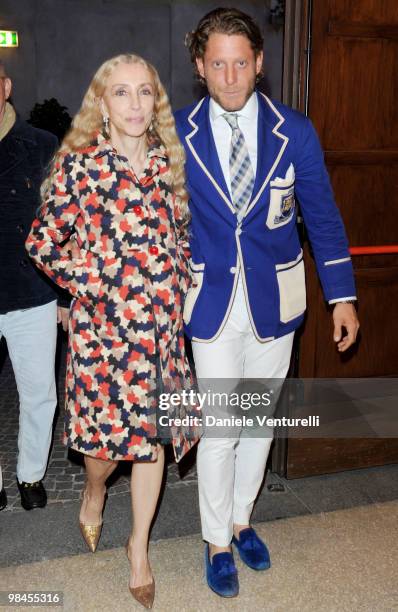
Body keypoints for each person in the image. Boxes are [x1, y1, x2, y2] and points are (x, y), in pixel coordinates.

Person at [175, 7, 360, 598]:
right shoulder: (177, 133)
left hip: (275, 302)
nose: (230, 76)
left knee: (257, 423)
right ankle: (216, 540)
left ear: (259, 64)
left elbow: (323, 220)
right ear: (201, 68)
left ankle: (242, 520)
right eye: (217, 64)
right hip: (209, 302)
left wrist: (343, 298)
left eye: (241, 62)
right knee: (223, 423)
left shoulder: (294, 132)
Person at [26, 53, 197, 609]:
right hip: (104, 337)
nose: (134, 104)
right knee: (105, 453)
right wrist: (91, 281)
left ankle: (139, 548)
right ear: (102, 102)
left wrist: (183, 283)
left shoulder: (168, 164)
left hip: (162, 336)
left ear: (156, 103)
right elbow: (42, 244)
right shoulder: (81, 167)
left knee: (152, 448)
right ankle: (95, 493)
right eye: (120, 93)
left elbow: (183, 237)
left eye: (144, 92)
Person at [0, 60, 69, 512]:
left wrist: (64, 294)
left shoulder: (41, 145)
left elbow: (64, 225)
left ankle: (30, 476)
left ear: (4, 87)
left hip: (32, 295)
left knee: (40, 392)